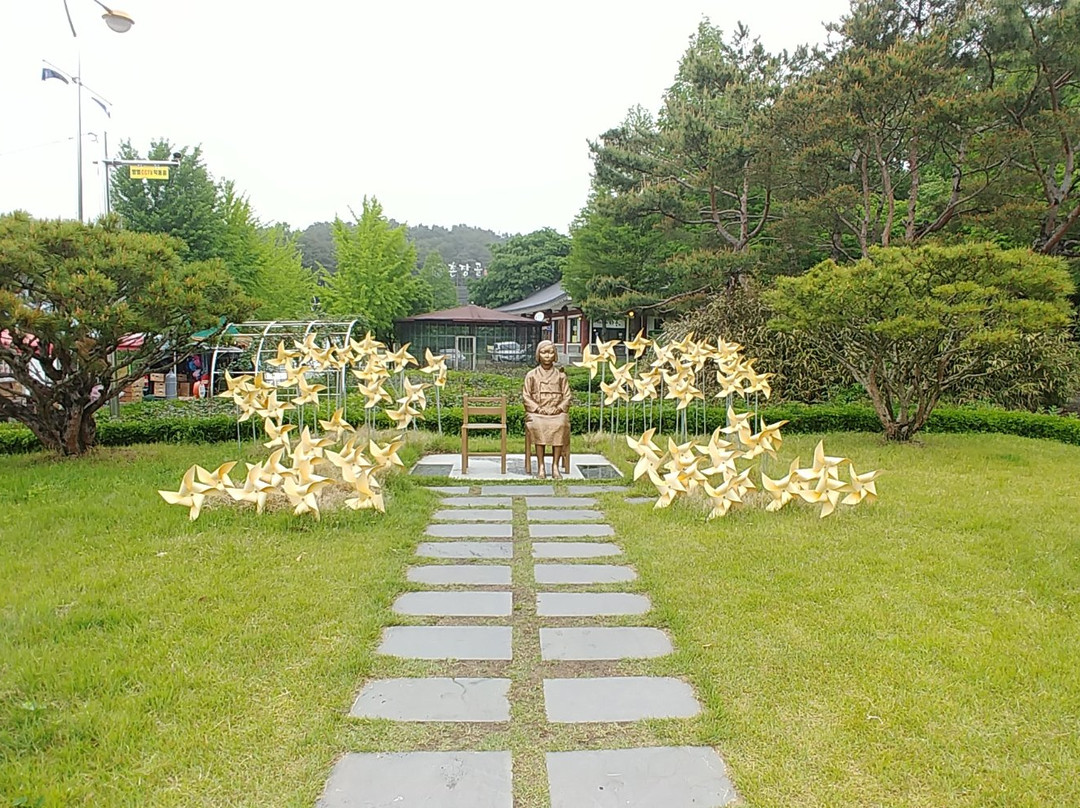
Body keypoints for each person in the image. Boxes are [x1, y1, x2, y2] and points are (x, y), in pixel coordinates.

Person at [522, 339, 571, 479]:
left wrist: (559, 408)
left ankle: (555, 466)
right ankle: (541, 466)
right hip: (537, 413)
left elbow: (567, 396)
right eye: (544, 352)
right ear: (538, 354)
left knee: (561, 424)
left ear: (555, 354)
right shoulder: (531, 375)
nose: (547, 356)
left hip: (556, 413)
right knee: (538, 425)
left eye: (550, 352)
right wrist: (538, 408)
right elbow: (526, 396)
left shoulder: (561, 376)